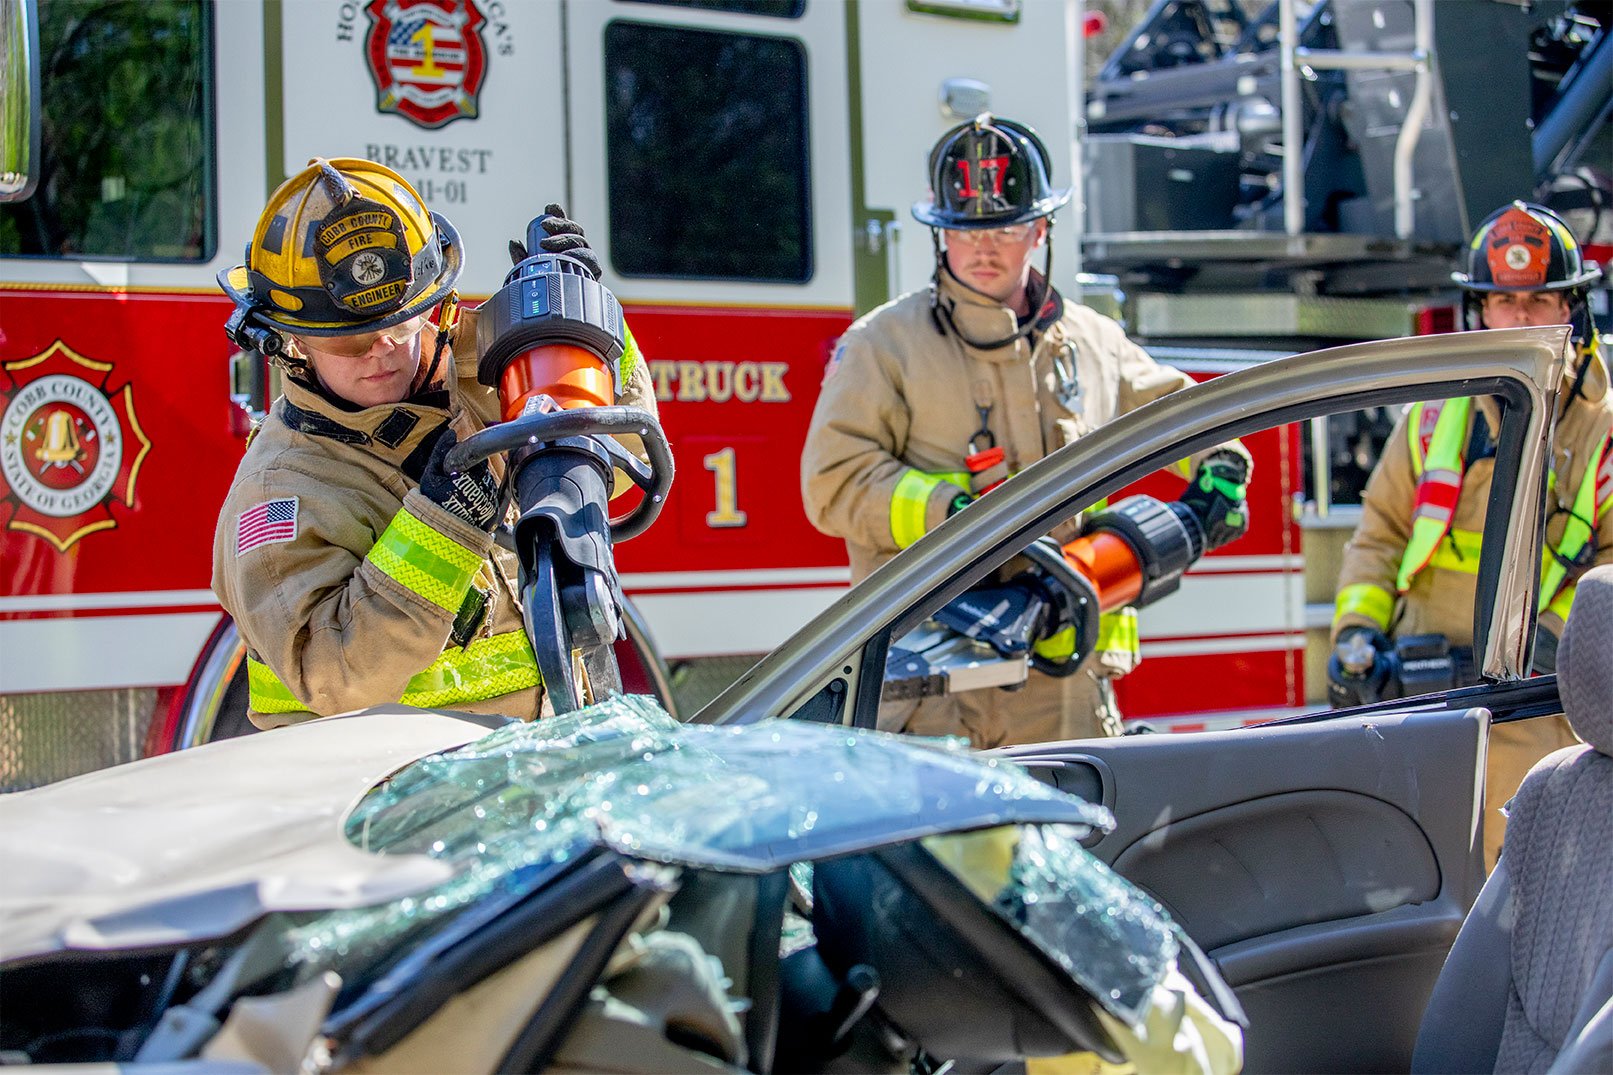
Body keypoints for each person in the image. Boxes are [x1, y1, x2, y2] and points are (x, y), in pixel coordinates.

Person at [800, 114, 1249, 748]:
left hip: (1067, 681)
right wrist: (948, 512)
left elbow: (1184, 416)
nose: (984, 248)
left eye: (1006, 227)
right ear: (941, 237)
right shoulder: (883, 345)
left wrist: (1223, 470)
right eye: (965, 230)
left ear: (1040, 229)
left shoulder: (1093, 342)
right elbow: (832, 483)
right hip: (934, 691)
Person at [212, 157, 655, 729]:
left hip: (531, 770)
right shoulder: (280, 492)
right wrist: (443, 521)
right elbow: (333, 671)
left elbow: (620, 464)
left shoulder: (485, 368)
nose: (384, 352)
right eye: (352, 343)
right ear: (293, 341)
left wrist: (586, 333)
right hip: (382, 797)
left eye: (401, 325)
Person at [1330, 200, 1613, 870]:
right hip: (1427, 708)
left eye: (1540, 300)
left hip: (1541, 712)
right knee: (1424, 891)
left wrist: (1557, 639)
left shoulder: (1602, 427)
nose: (1519, 320)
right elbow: (1378, 536)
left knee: (1528, 896)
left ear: (1572, 311)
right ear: (1476, 312)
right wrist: (1354, 634)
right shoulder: (1433, 415)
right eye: (1502, 303)